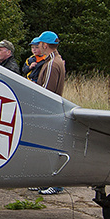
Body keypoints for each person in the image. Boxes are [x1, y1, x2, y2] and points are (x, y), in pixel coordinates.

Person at [26, 32, 68, 195]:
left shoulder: (52, 64)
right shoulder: (56, 61)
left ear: (45, 45)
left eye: (40, 44)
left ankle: (54, 183)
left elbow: (46, 92)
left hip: (48, 113)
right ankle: (43, 181)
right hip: (51, 112)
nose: (38, 47)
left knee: (48, 149)